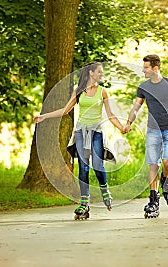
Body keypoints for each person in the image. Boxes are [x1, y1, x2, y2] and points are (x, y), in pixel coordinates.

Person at [34, 62, 125, 220]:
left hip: (97, 131)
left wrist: (121, 127)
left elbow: (110, 115)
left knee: (97, 164)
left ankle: (105, 190)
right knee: (83, 167)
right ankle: (84, 203)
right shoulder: (79, 91)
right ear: (91, 73)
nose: (102, 75)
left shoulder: (103, 92)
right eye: (99, 72)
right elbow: (65, 110)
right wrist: (44, 116)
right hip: (81, 132)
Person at [123, 55, 168, 218]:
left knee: (167, 162)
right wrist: (129, 123)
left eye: (146, 68)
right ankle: (153, 200)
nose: (143, 70)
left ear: (155, 68)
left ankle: (165, 182)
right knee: (153, 164)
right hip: (153, 131)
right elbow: (136, 107)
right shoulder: (143, 87)